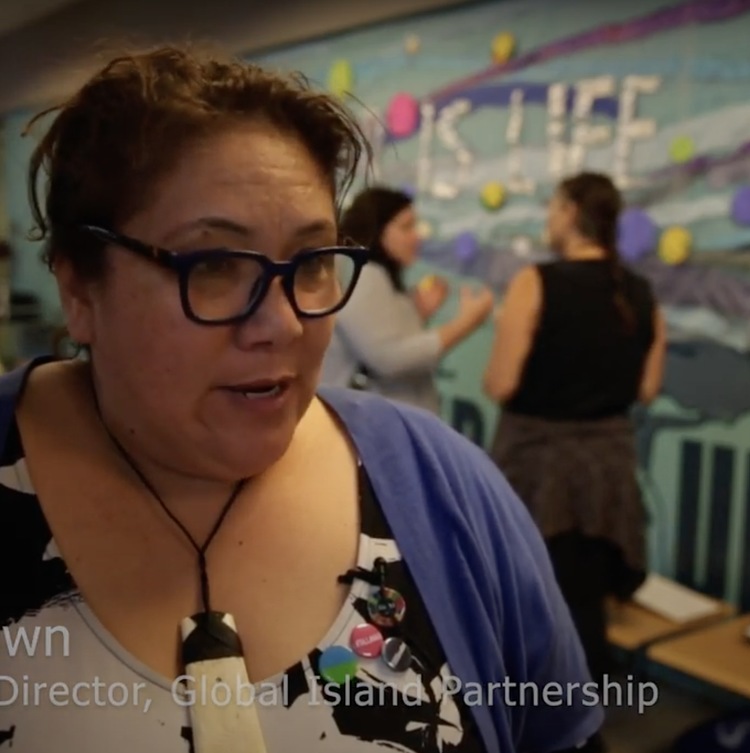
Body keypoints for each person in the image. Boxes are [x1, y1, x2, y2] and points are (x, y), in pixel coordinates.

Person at [0, 47, 604, 753]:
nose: (284, 323)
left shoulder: (442, 486)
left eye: (312, 261)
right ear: (79, 288)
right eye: (215, 264)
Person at [483, 172, 667, 689]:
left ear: (570, 212)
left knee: (528, 614)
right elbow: (648, 387)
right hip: (608, 475)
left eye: (552, 207)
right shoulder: (641, 293)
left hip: (538, 472)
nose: (549, 218)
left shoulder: (536, 282)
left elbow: (499, 382)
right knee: (584, 610)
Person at [321, 186, 492, 413]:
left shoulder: (376, 275)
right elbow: (388, 359)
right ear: (378, 230)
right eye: (406, 227)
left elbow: (380, 338)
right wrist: (464, 324)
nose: (417, 236)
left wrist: (417, 312)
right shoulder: (366, 274)